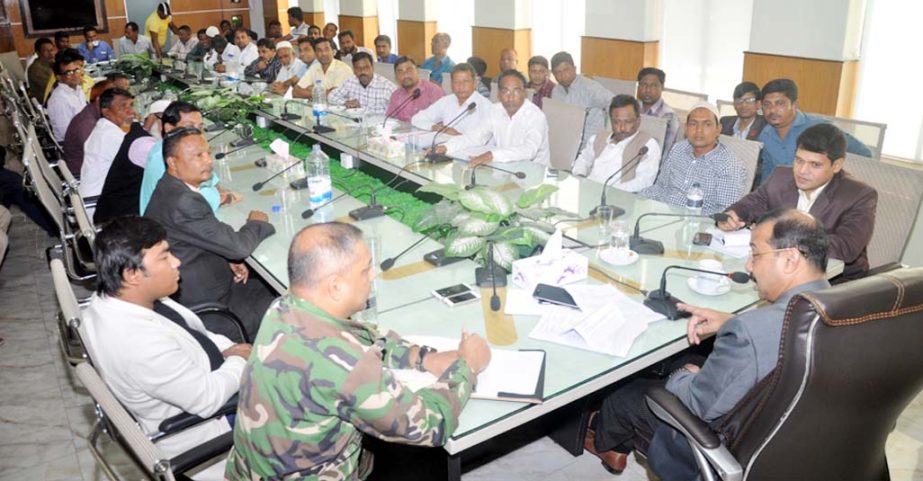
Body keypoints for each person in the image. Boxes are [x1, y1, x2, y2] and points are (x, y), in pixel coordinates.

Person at [224, 222, 491, 480]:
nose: (372, 276)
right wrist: (467, 366)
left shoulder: (285, 306)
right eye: (365, 270)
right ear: (336, 286)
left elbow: (360, 336)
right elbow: (432, 424)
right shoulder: (347, 364)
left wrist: (422, 357)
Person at [584, 209, 831, 477]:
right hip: (799, 443)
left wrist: (685, 375)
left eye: (755, 253)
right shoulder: (842, 308)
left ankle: (609, 445)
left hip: (722, 446)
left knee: (628, 394)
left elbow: (697, 404)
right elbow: (779, 335)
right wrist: (732, 322)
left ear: (790, 259)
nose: (748, 266)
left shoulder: (751, 333)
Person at [82, 216, 250, 481]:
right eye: (164, 257)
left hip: (208, 377)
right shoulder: (137, 344)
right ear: (132, 274)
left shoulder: (118, 298)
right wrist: (240, 360)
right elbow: (208, 399)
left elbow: (194, 332)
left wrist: (229, 350)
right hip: (211, 423)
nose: (176, 262)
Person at [144, 127, 275, 342]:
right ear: (173, 162)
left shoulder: (169, 187)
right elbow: (239, 247)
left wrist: (227, 258)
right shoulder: (185, 200)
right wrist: (256, 223)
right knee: (285, 300)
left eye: (208, 153)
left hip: (200, 280)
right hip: (213, 306)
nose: (208, 161)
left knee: (262, 280)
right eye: (198, 155)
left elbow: (202, 237)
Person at [720, 123, 876, 282]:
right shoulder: (780, 176)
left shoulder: (859, 196)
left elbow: (846, 247)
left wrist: (782, 239)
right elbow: (752, 203)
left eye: (815, 165)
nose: (802, 171)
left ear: (836, 165)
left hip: (831, 283)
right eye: (799, 160)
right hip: (776, 271)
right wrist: (733, 215)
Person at [638, 101, 747, 215]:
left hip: (696, 224)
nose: (699, 130)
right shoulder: (678, 149)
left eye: (707, 124)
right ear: (686, 128)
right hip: (659, 213)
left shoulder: (729, 164)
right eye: (693, 123)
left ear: (718, 129)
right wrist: (638, 200)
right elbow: (660, 186)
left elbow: (725, 211)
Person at [757, 78, 872, 184]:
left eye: (780, 104)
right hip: (786, 196)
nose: (772, 110)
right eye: (767, 105)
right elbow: (769, 172)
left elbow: (863, 153)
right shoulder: (765, 135)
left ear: (794, 105)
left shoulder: (818, 127)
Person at [434, 70, 550, 167]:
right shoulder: (495, 110)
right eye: (505, 91)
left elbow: (529, 150)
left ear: (524, 93)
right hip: (504, 168)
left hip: (534, 174)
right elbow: (475, 136)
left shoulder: (535, 116)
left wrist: (492, 155)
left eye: (516, 90)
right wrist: (446, 147)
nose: (511, 96)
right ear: (498, 94)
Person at [140, 101, 237, 216]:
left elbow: (212, 180)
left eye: (200, 127)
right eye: (189, 127)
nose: (197, 132)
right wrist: (223, 197)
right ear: (169, 128)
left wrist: (218, 191)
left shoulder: (177, 147)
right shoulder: (162, 158)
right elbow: (194, 202)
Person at [93, 100, 171, 225]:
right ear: (152, 119)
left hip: (118, 212)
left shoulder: (137, 133)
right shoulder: (146, 147)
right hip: (122, 222)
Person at [573, 95, 662, 191]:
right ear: (611, 121)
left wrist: (608, 191)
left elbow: (644, 182)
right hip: (588, 191)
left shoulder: (647, 146)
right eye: (616, 122)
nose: (622, 128)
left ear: (638, 121)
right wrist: (580, 177)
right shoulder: (598, 139)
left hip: (619, 199)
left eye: (628, 122)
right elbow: (583, 160)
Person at [80, 87, 135, 200]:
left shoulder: (104, 127)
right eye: (123, 106)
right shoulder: (111, 136)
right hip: (99, 202)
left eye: (131, 105)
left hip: (98, 195)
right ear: (106, 112)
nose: (131, 111)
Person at [550, 51, 613, 148]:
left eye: (566, 70)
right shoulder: (556, 91)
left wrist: (610, 132)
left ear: (574, 69)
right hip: (565, 142)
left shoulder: (590, 87)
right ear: (553, 74)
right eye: (558, 72)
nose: (562, 75)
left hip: (590, 144)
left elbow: (613, 102)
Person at [411, 63, 492, 135]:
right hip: (444, 147)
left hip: (472, 151)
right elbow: (416, 119)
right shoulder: (447, 101)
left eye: (465, 81)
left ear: (475, 83)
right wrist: (433, 127)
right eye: (456, 82)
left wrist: (458, 136)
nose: (461, 86)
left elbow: (484, 140)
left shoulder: (486, 107)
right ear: (451, 84)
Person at [63, 79, 113, 176]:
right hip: (85, 175)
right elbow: (105, 156)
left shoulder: (92, 112)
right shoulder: (87, 124)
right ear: (99, 100)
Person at [327, 52, 396, 115]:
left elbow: (398, 113)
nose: (362, 71)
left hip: (379, 126)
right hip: (355, 124)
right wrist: (346, 103)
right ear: (354, 70)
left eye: (366, 68)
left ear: (372, 67)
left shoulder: (387, 87)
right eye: (358, 68)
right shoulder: (351, 81)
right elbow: (331, 96)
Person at [384, 56, 443, 122]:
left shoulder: (434, 91)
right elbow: (390, 121)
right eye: (400, 72)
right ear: (396, 77)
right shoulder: (396, 95)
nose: (405, 75)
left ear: (417, 71)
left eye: (409, 70)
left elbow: (442, 121)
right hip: (403, 131)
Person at [637, 67, 680, 156]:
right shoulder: (633, 109)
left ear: (662, 87)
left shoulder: (668, 116)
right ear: (638, 86)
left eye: (653, 85)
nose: (647, 89)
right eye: (644, 84)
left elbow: (666, 153)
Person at [47, 50, 88, 143]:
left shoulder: (78, 89)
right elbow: (67, 134)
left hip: (85, 136)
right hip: (74, 146)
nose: (75, 75)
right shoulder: (59, 100)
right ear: (59, 77)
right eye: (69, 73)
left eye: (76, 70)